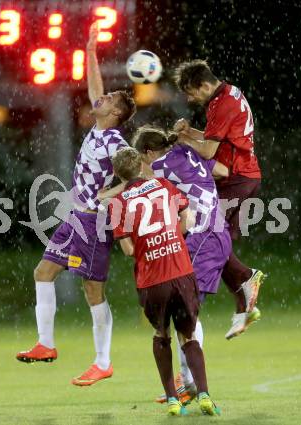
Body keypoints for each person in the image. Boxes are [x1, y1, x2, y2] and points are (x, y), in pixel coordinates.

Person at [16, 23, 136, 387]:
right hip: (75, 219)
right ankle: (46, 344)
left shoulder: (115, 140)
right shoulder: (100, 129)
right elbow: (94, 87)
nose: (102, 98)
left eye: (111, 99)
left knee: (92, 292)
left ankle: (103, 361)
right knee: (43, 273)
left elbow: (136, 172)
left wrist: (111, 194)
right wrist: (90, 52)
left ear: (115, 113)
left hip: (95, 225)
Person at [109, 147, 221, 417]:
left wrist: (148, 246)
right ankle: (204, 394)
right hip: (181, 272)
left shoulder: (117, 203)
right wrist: (172, 238)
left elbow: (127, 250)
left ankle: (173, 399)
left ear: (118, 174)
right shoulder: (163, 184)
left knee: (162, 335)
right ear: (140, 166)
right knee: (189, 335)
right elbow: (186, 217)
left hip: (152, 279)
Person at [173, 59, 265, 339]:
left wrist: (182, 141)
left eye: (191, 92)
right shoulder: (226, 96)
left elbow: (210, 151)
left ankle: (246, 280)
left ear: (203, 85)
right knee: (216, 243)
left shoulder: (222, 103)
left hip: (236, 178)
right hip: (241, 176)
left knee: (208, 240)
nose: (190, 99)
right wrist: (189, 133)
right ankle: (243, 304)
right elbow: (218, 140)